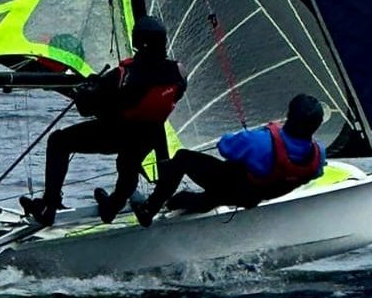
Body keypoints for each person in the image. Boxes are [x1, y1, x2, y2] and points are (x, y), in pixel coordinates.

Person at [20, 16, 187, 227]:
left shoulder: (121, 75)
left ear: (137, 41)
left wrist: (87, 90)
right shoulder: (179, 72)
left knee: (59, 141)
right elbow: (173, 95)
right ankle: (113, 206)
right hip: (149, 136)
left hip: (115, 134)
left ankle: (49, 207)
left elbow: (85, 108)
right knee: (129, 162)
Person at [131, 93, 327, 226]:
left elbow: (225, 147)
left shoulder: (259, 141)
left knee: (183, 157)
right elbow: (316, 172)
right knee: (186, 200)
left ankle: (150, 209)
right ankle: (182, 204)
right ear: (316, 125)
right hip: (250, 198)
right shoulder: (318, 157)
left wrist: (256, 134)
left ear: (289, 114)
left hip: (226, 188)